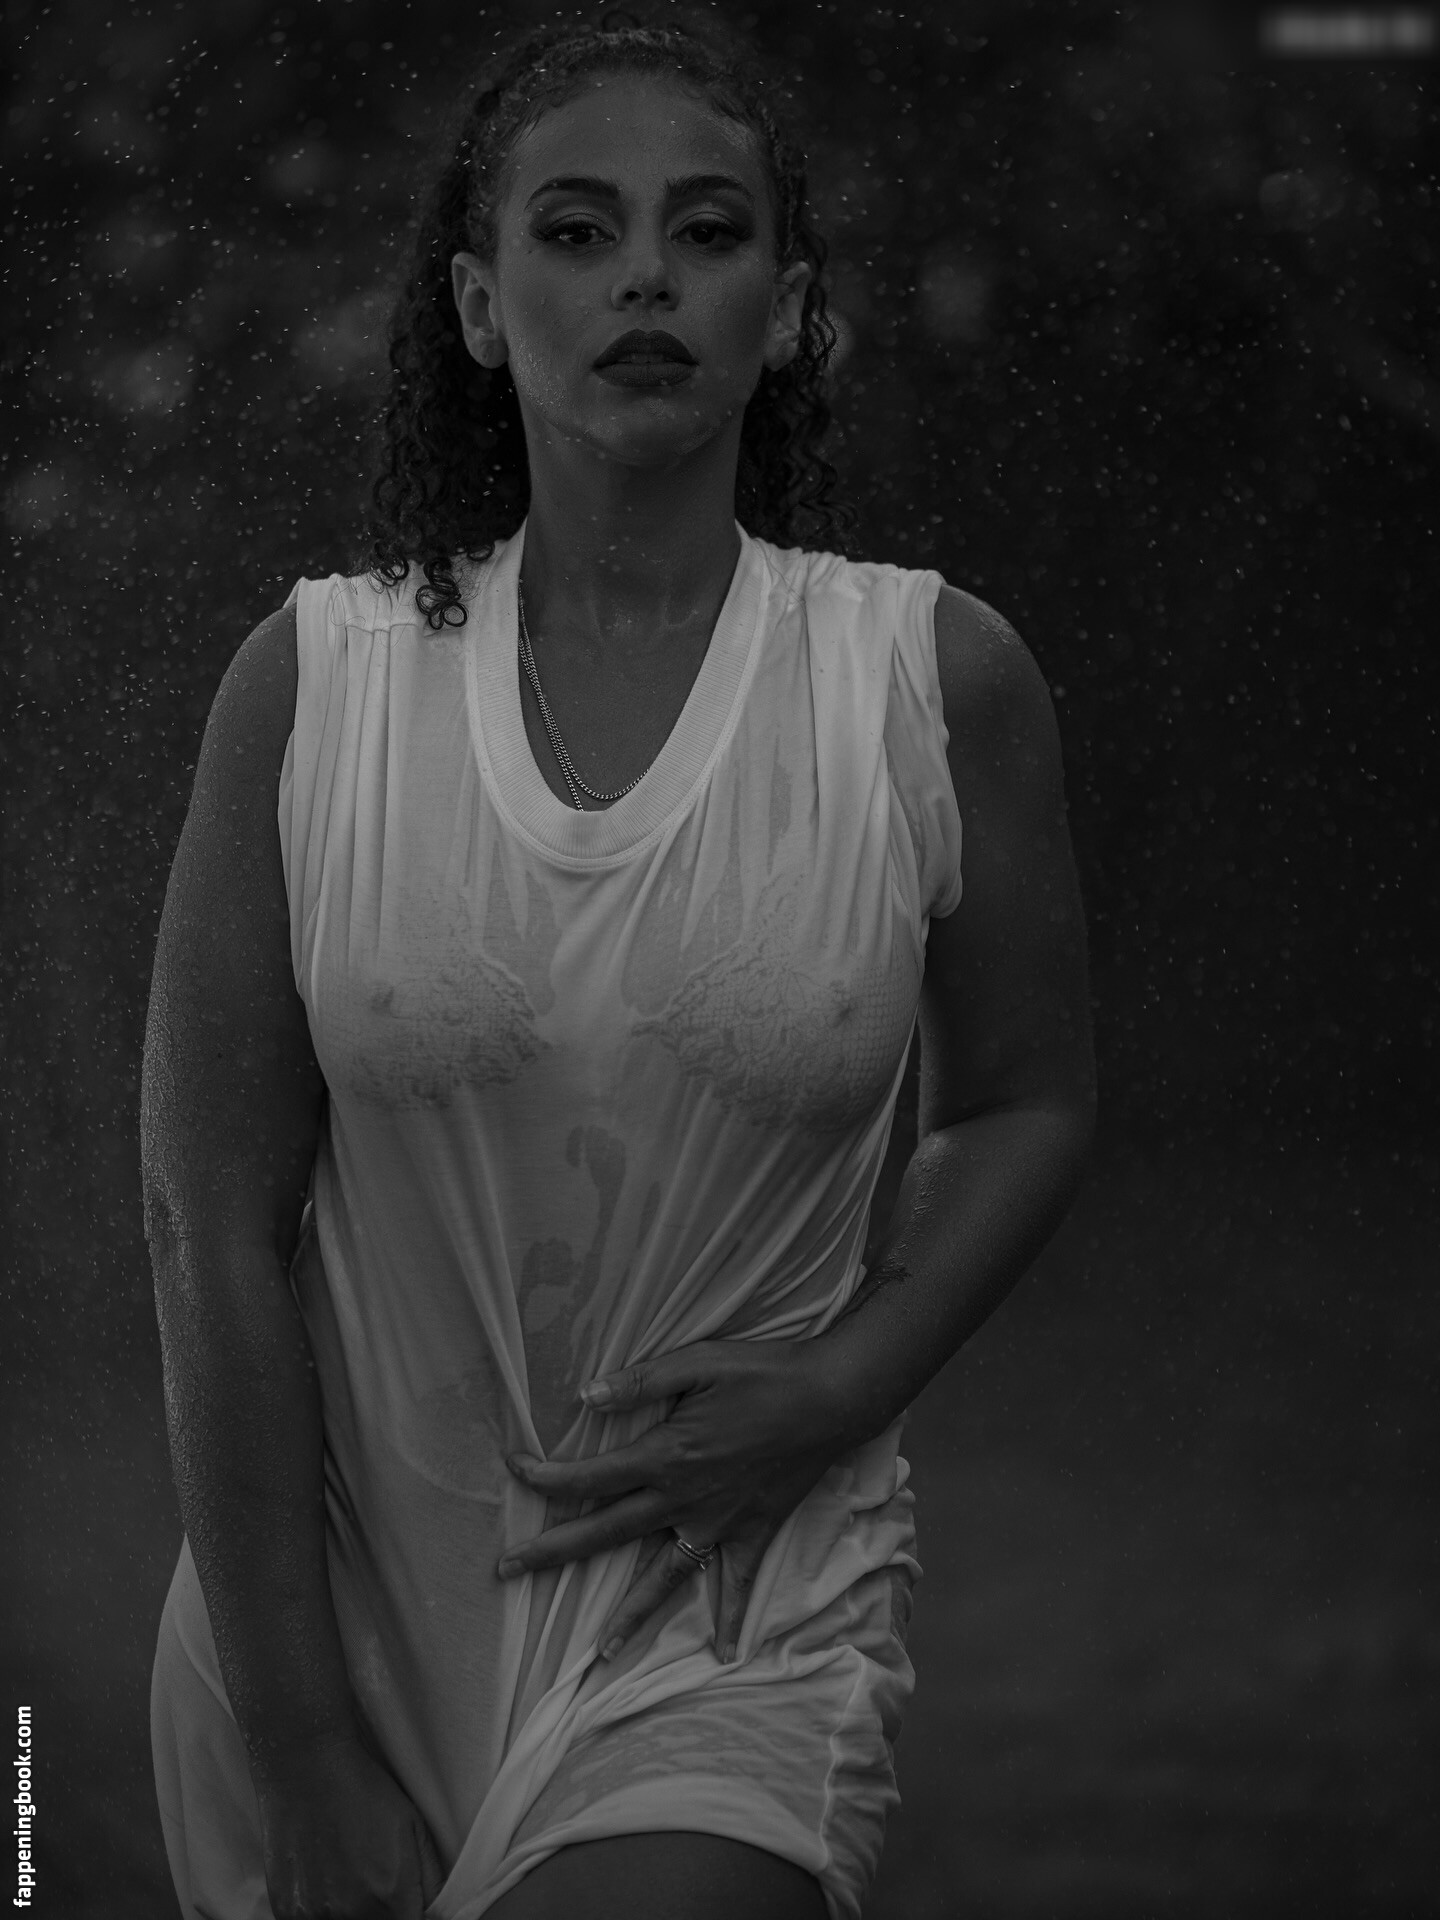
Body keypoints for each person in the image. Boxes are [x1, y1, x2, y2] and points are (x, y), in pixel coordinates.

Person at [142, 18, 1095, 1920]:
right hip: (326, 1633)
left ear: (789, 313)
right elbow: (205, 1222)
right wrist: (304, 1746)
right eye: (577, 232)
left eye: (708, 231)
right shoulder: (316, 683)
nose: (645, 274)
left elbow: (1026, 1099)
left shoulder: (931, 679)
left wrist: (845, 1384)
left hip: (738, 1615)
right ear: (479, 308)